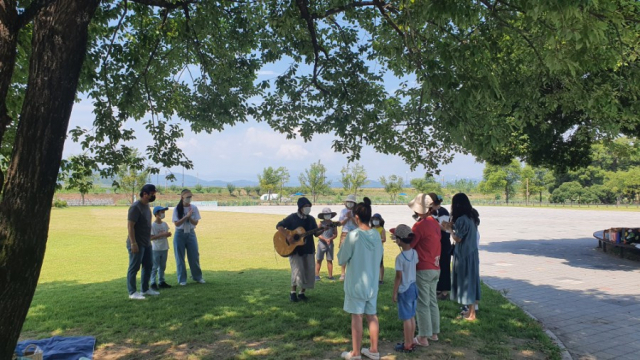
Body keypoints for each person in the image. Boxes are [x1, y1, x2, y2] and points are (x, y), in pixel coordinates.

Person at [338, 197, 383, 360]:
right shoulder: (376, 236)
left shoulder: (353, 236)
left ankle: (356, 353)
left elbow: (341, 259)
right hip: (372, 283)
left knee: (356, 316)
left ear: (356, 217)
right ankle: (373, 350)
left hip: (356, 283)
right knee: (372, 315)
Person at [408, 193, 441, 347]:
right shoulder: (434, 223)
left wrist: (400, 239)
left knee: (422, 303)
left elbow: (410, 245)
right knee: (432, 301)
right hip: (435, 267)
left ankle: (423, 337)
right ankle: (434, 333)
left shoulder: (419, 226)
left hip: (423, 267)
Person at [443, 193, 481, 321]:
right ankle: (471, 311)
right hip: (472, 254)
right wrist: (452, 226)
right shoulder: (472, 217)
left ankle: (472, 314)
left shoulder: (462, 219)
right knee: (471, 281)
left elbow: (458, 238)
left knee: (466, 282)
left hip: (464, 255)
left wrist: (450, 230)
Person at [276, 197, 319, 302]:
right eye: (306, 206)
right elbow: (279, 226)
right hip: (295, 250)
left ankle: (302, 293)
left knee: (308, 270)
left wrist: (324, 229)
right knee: (297, 271)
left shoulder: (311, 219)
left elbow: (316, 234)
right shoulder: (292, 218)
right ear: (300, 207)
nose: (308, 208)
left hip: (308, 248)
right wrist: (287, 235)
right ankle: (293, 293)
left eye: (309, 206)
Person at [126, 184, 160, 300]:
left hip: (146, 243)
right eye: (152, 194)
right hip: (137, 242)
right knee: (134, 267)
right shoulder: (136, 207)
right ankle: (132, 292)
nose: (153, 196)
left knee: (148, 265)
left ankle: (145, 289)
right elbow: (130, 226)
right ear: (145, 194)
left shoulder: (146, 206)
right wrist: (133, 243)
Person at [391, 225, 419, 353]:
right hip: (413, 287)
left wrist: (394, 293)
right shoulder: (414, 253)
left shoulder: (400, 258)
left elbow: (398, 277)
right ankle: (411, 340)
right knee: (412, 316)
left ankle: (407, 344)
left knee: (406, 318)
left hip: (404, 289)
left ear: (399, 240)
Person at [173, 189, 204, 286]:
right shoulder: (177, 209)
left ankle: (197, 277)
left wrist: (190, 217)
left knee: (194, 256)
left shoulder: (194, 208)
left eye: (190, 197)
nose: (189, 199)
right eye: (187, 197)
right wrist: (186, 216)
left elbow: (195, 222)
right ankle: (182, 279)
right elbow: (177, 223)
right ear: (182, 198)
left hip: (190, 233)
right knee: (180, 257)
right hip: (180, 234)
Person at [428, 193, 452, 300]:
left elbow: (446, 228)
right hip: (436, 242)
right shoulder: (433, 212)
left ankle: (444, 292)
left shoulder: (443, 212)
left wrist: (433, 222)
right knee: (437, 265)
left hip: (444, 242)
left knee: (444, 265)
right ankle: (438, 289)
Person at [150, 206, 172, 291]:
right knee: (155, 266)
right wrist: (162, 235)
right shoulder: (153, 225)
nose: (163, 214)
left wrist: (168, 234)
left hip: (164, 247)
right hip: (156, 248)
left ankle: (161, 281)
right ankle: (152, 282)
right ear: (156, 214)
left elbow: (166, 233)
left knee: (162, 266)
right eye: (161, 212)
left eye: (164, 212)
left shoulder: (164, 224)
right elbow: (151, 238)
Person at [339, 194, 358, 281]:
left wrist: (352, 217)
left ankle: (353, 272)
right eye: (348, 202)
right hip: (345, 233)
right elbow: (340, 223)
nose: (350, 203)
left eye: (351, 202)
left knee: (355, 252)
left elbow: (358, 224)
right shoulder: (343, 211)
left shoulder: (357, 212)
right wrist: (347, 217)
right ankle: (343, 273)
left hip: (354, 232)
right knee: (344, 251)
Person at [316, 207, 338, 281]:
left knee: (329, 260)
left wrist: (330, 239)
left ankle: (330, 276)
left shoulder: (333, 224)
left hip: (330, 244)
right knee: (319, 259)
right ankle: (316, 275)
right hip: (321, 243)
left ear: (331, 215)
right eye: (326, 214)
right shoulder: (320, 224)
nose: (327, 216)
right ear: (323, 216)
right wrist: (324, 239)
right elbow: (317, 234)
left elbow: (335, 234)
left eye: (328, 214)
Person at [370, 213, 387, 285]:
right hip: (371, 249)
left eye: (377, 219)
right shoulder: (371, 229)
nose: (375, 221)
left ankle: (381, 279)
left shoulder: (382, 229)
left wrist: (376, 239)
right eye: (374, 219)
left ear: (380, 220)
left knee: (380, 264)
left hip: (378, 249)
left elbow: (384, 239)